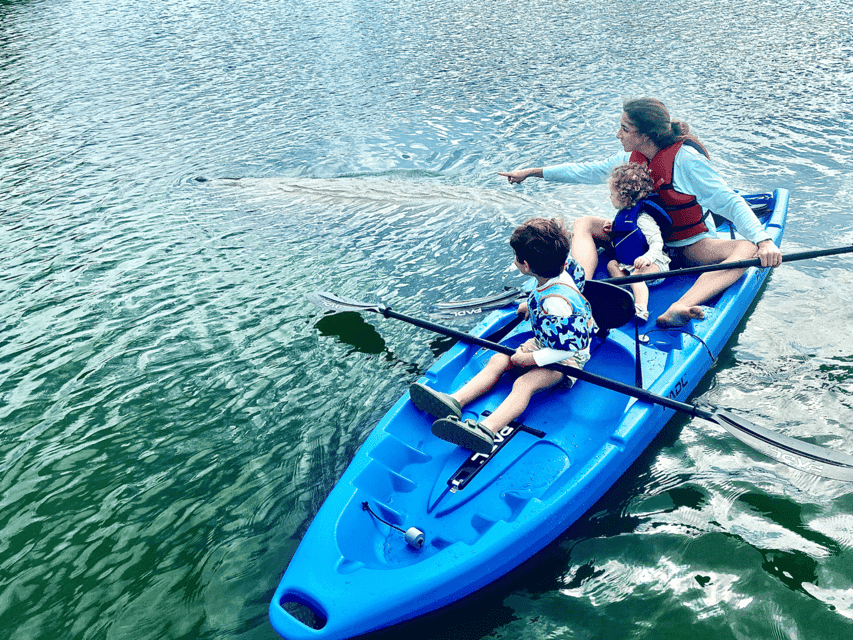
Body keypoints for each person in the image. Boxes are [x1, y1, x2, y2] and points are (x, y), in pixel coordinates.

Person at [498, 97, 782, 328]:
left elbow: (729, 201)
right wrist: (533, 172)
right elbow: (586, 170)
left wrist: (764, 240)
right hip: (640, 241)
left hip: (686, 246)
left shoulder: (687, 162)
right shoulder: (630, 158)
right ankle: (580, 287)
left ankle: (680, 306)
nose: (617, 134)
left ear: (645, 135)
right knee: (584, 223)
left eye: (624, 128)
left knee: (748, 248)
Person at [408, 218, 595, 454]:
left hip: (566, 358)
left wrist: (532, 359)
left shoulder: (555, 302)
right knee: (498, 359)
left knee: (524, 383)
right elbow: (561, 291)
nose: (514, 259)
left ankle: (487, 429)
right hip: (546, 341)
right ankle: (455, 400)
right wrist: (531, 306)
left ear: (526, 265)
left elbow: (570, 346)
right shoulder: (560, 267)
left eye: (516, 256)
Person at [604, 162, 671, 321]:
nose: (610, 197)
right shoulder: (624, 214)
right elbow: (627, 232)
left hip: (654, 264)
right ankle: (625, 288)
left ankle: (641, 309)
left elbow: (657, 242)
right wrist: (613, 228)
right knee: (611, 264)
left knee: (636, 276)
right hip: (629, 265)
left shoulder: (643, 218)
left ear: (624, 196)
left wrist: (647, 258)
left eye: (612, 193)